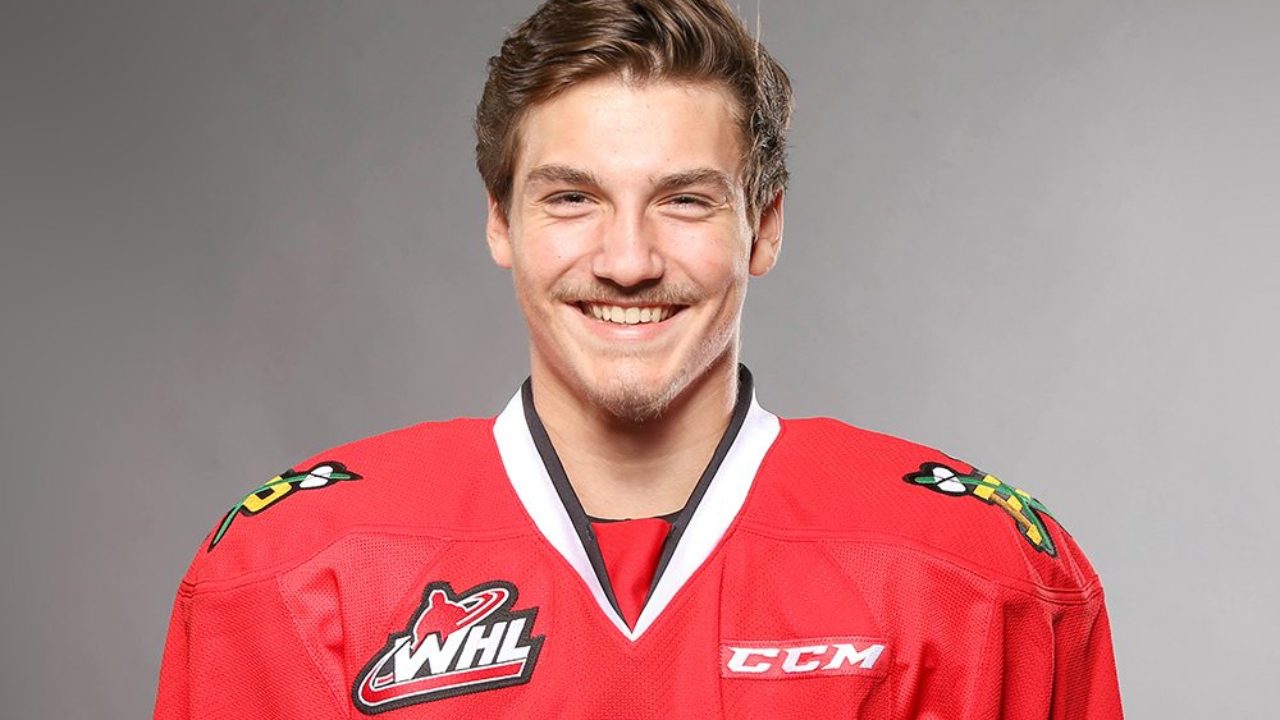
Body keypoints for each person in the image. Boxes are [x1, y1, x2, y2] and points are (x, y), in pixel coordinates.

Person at [154, 1, 1123, 718]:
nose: (627, 260)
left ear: (764, 226)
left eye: (685, 200)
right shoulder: (300, 568)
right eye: (571, 198)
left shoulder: (974, 577)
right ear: (500, 222)